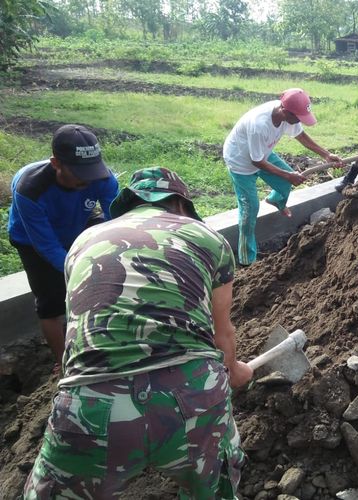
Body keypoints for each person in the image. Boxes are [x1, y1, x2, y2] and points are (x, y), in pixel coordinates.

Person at [23, 167, 254, 499]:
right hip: (193, 395)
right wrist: (234, 372)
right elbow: (222, 334)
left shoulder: (83, 242)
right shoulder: (206, 237)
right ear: (179, 205)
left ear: (129, 205)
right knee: (214, 487)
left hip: (91, 404)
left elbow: (79, 327)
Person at [7, 124, 119, 366]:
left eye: (92, 171)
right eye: (80, 172)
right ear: (56, 163)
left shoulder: (102, 178)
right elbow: (47, 246)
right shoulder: (30, 190)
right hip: (32, 239)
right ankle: (65, 364)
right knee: (51, 303)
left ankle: (98, 339)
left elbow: (117, 220)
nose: (88, 179)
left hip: (76, 220)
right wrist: (80, 271)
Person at [223, 88, 341, 265]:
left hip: (261, 153)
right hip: (240, 161)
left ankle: (276, 200)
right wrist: (287, 175)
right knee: (250, 210)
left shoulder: (287, 116)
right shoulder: (259, 125)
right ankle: (247, 259)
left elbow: (301, 136)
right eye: (298, 118)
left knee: (286, 183)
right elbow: (257, 163)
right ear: (285, 111)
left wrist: (326, 155)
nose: (299, 122)